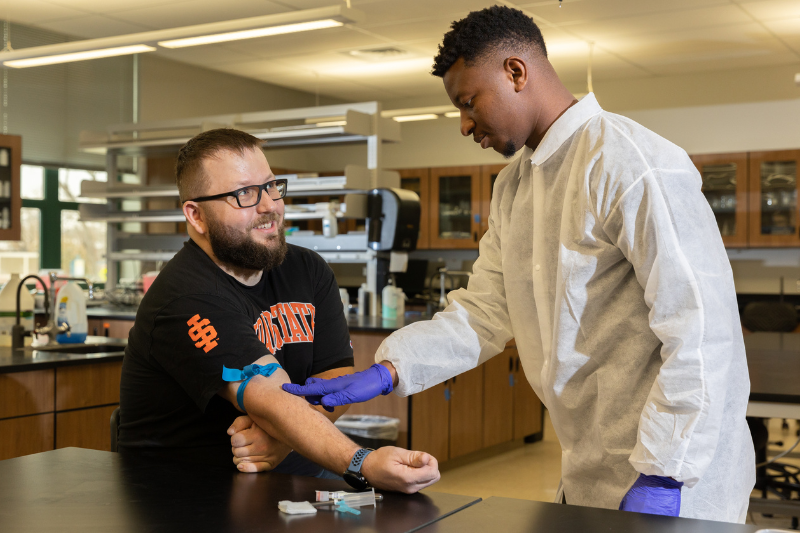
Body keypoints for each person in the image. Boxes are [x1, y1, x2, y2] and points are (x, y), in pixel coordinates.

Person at [277, 5, 755, 522]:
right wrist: (391, 370)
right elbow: (483, 311)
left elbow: (702, 333)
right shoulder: (514, 187)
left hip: (681, 473)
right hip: (589, 463)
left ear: (515, 72)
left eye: (468, 102)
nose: (464, 125)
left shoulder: (631, 163)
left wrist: (665, 474)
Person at [118, 128, 440, 493]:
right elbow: (266, 395)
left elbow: (334, 373)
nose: (269, 205)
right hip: (188, 490)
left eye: (271, 186)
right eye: (244, 194)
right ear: (197, 216)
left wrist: (286, 439)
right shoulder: (185, 295)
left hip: (294, 472)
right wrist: (361, 462)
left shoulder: (307, 269)